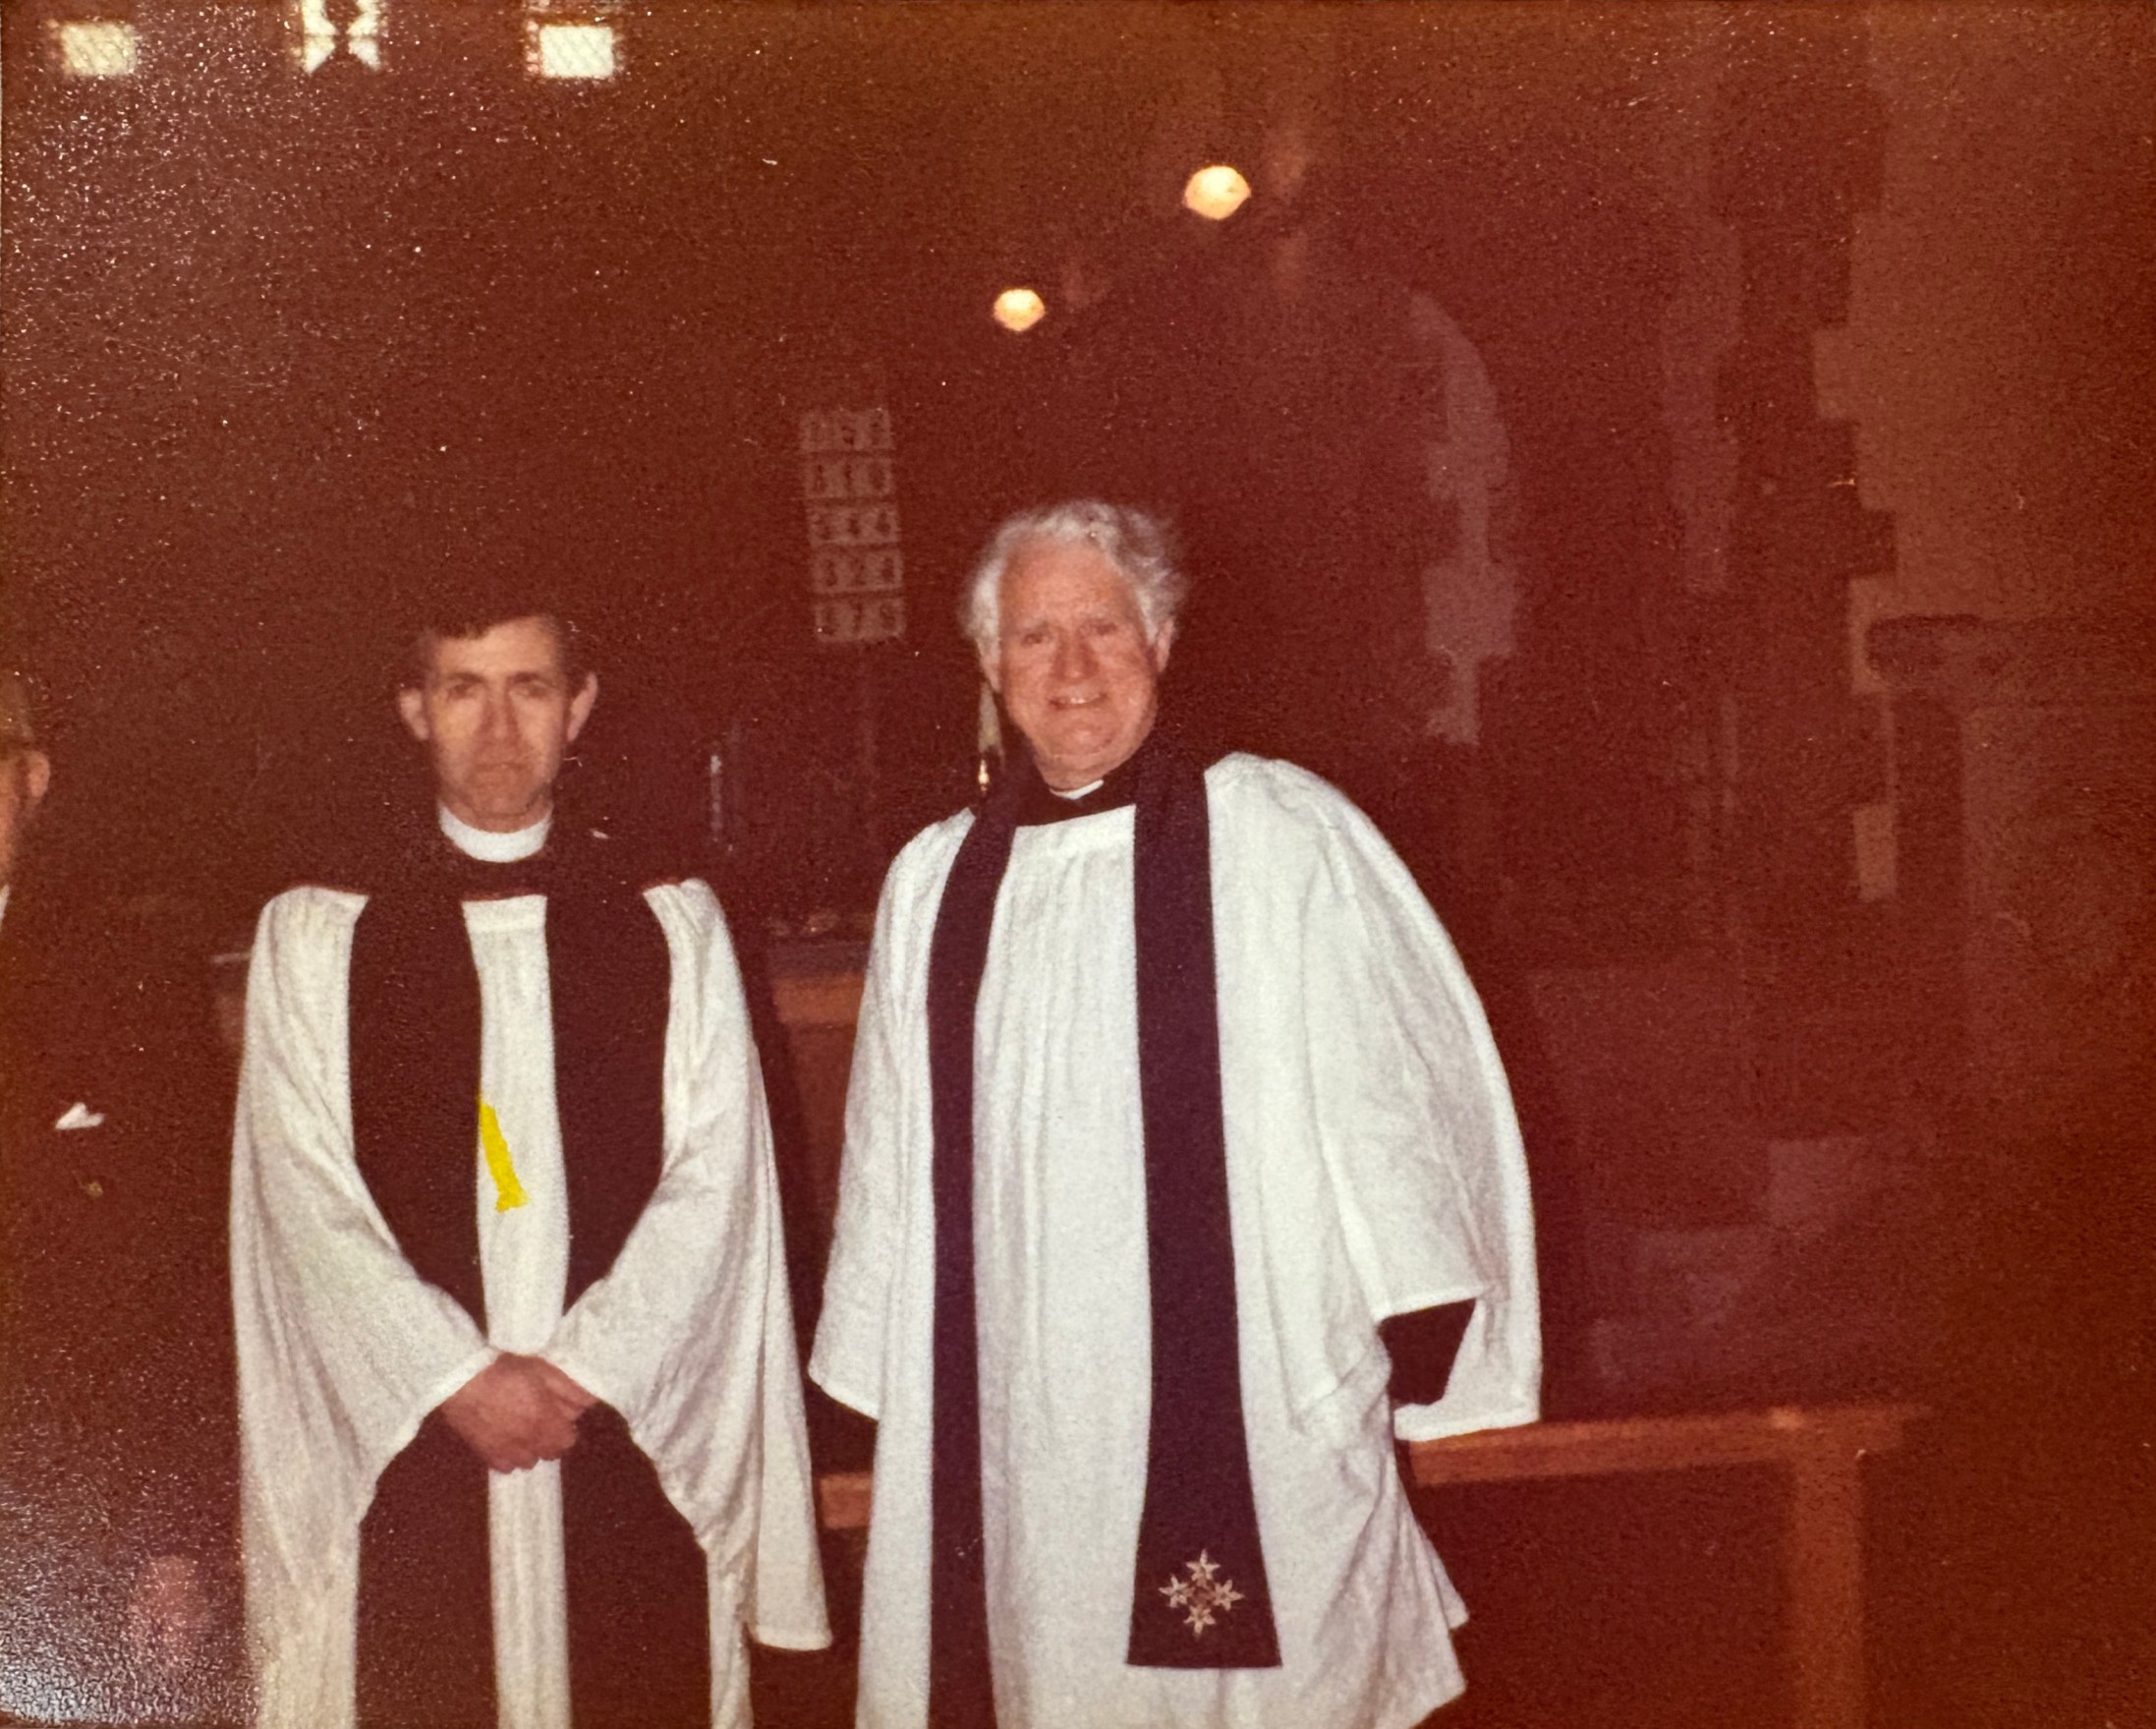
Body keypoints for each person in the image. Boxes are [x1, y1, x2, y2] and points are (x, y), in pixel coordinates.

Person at [812, 501, 1540, 1729]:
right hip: (1015, 1402)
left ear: (1160, 637)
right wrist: (875, 1347)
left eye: (1104, 626)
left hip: (1248, 1401)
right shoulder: (936, 878)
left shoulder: (1277, 832)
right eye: (1035, 637)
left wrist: (1413, 1312)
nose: (1074, 668)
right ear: (989, 666)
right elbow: (889, 1149)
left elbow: (1395, 1087)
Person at [231, 604, 827, 1729]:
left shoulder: (670, 920)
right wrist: (451, 1374)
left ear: (580, 705)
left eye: (531, 687)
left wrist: (587, 1368)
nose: (500, 728)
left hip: (614, 1410)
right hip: (410, 1418)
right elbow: (297, 1193)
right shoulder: (319, 931)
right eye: (464, 688)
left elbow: (720, 1179)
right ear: (413, 708)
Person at [0, 666, 241, 1723]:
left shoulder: (125, 972)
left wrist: (177, 1539)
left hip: (77, 1533)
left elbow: (190, 1271)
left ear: (33, 777)